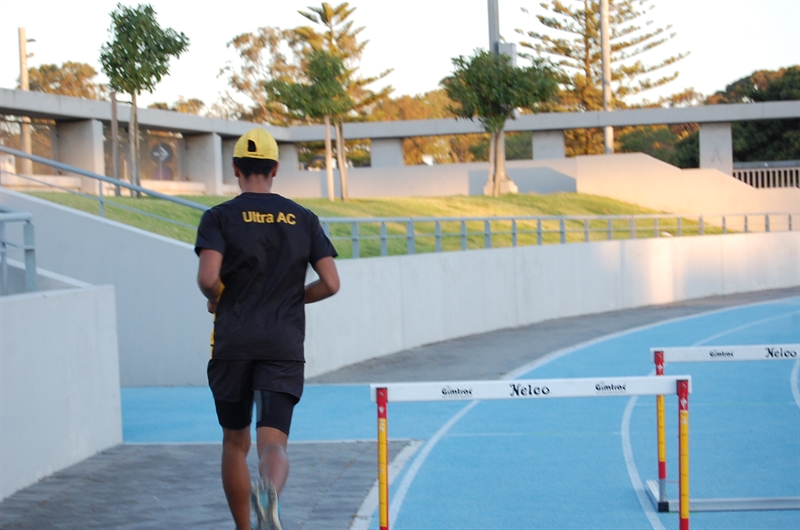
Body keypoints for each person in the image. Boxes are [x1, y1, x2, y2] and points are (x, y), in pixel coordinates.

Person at [195, 128, 340, 530]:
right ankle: (270, 490)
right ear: (275, 169)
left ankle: (245, 528)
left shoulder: (218, 217)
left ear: (235, 169)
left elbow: (207, 279)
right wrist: (292, 298)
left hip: (233, 342)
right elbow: (331, 283)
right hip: (282, 342)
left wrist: (220, 296)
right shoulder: (303, 218)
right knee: (273, 443)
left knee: (234, 442)